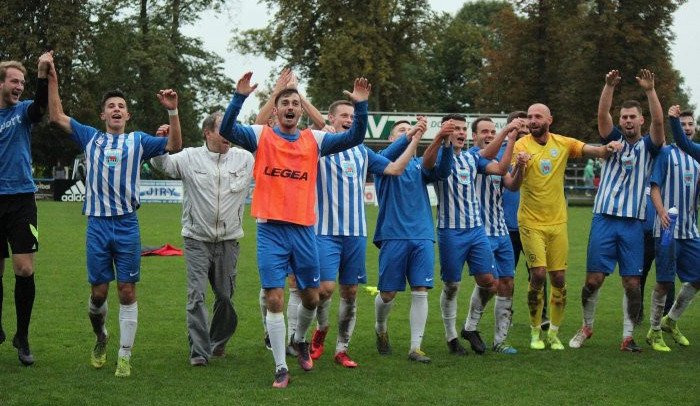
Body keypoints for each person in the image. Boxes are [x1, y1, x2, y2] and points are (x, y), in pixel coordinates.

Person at [219, 71, 370, 388]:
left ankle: (298, 340)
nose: (290, 106)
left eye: (295, 102)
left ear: (301, 110)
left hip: (304, 231)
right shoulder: (262, 136)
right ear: (275, 111)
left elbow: (354, 138)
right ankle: (280, 368)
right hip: (271, 230)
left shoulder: (313, 140)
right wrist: (239, 97)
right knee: (274, 298)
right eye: (284, 102)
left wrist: (361, 105)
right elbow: (227, 129)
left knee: (312, 299)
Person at [47, 60, 182, 377]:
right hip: (96, 224)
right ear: (103, 115)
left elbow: (175, 145)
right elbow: (56, 116)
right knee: (99, 293)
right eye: (111, 106)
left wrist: (172, 111)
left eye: (121, 106)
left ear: (127, 115)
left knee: (127, 290)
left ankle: (125, 355)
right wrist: (52, 78)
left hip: (126, 225)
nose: (117, 110)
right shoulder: (90, 137)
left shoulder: (138, 141)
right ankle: (100, 337)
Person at [305, 101, 425, 368]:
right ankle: (322, 328)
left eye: (352, 115)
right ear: (331, 118)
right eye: (343, 115)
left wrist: (414, 140)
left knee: (350, 292)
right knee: (324, 290)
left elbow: (394, 168)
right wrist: (299, 95)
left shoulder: (362, 152)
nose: (349, 119)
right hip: (325, 231)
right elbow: (316, 121)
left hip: (356, 234)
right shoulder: (321, 146)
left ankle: (341, 349)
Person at [569, 69, 664, 352]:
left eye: (632, 117)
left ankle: (627, 337)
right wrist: (608, 86)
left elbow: (659, 122)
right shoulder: (612, 140)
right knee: (593, 280)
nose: (627, 121)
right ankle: (586, 326)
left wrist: (650, 91)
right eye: (624, 117)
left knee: (632, 283)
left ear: (641, 120)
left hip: (633, 223)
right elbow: (602, 116)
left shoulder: (650, 145)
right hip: (605, 219)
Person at [150, 112, 254, 365]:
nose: (229, 134)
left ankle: (217, 342)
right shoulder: (189, 157)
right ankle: (199, 352)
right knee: (196, 296)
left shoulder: (245, 158)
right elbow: (162, 165)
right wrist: (159, 145)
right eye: (222, 129)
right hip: (196, 239)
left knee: (225, 297)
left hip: (229, 240)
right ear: (208, 133)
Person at [514, 102, 619, 351]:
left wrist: (608, 148)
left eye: (538, 116)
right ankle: (535, 330)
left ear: (550, 119)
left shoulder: (562, 143)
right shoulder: (521, 145)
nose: (532, 120)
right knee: (538, 273)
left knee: (559, 278)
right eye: (529, 116)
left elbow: (593, 150)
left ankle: (554, 333)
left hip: (558, 222)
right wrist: (519, 164)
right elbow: (514, 183)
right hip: (530, 221)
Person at [434, 114, 521, 357]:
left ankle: (470, 328)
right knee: (452, 286)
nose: (460, 132)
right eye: (456, 129)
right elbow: (437, 169)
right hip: (450, 230)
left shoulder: (473, 158)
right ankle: (451, 336)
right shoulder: (440, 157)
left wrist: (509, 137)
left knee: (490, 282)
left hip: (476, 230)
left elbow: (502, 169)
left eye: (462, 128)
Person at [373, 119, 453, 363]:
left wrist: (445, 143)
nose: (408, 132)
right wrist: (412, 136)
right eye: (402, 130)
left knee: (421, 290)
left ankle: (415, 347)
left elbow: (442, 171)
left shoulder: (420, 165)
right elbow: (393, 152)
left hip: (422, 234)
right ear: (391, 139)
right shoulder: (382, 160)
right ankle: (380, 326)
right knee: (387, 294)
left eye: (410, 128)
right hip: (393, 234)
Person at [0, 52, 53, 365]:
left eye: (22, 81)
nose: (19, 86)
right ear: (2, 84)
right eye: (14, 81)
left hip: (21, 199)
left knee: (24, 268)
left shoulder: (23, 112)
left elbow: (41, 107)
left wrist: (41, 74)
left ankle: (23, 336)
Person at [468, 116, 529, 354]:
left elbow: (512, 185)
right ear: (475, 135)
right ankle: (470, 326)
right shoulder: (473, 157)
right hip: (479, 230)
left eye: (492, 131)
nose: (489, 135)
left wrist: (521, 167)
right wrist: (507, 134)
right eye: (484, 131)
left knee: (507, 283)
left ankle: (500, 340)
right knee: (490, 284)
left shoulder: (495, 158)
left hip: (501, 229)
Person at [645, 106, 700, 351]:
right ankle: (654, 331)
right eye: (683, 124)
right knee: (664, 282)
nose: (687, 128)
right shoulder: (666, 154)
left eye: (690, 124)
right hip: (667, 229)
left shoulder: (697, 158)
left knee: (698, 278)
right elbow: (654, 186)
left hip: (690, 230)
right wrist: (661, 211)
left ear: (695, 128)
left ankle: (670, 321)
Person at [502, 111, 551, 329]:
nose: (522, 135)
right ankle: (506, 314)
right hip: (506, 225)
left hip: (534, 224)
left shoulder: (540, 152)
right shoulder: (501, 156)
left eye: (525, 131)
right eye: (517, 131)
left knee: (538, 271)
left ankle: (541, 315)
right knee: (506, 275)